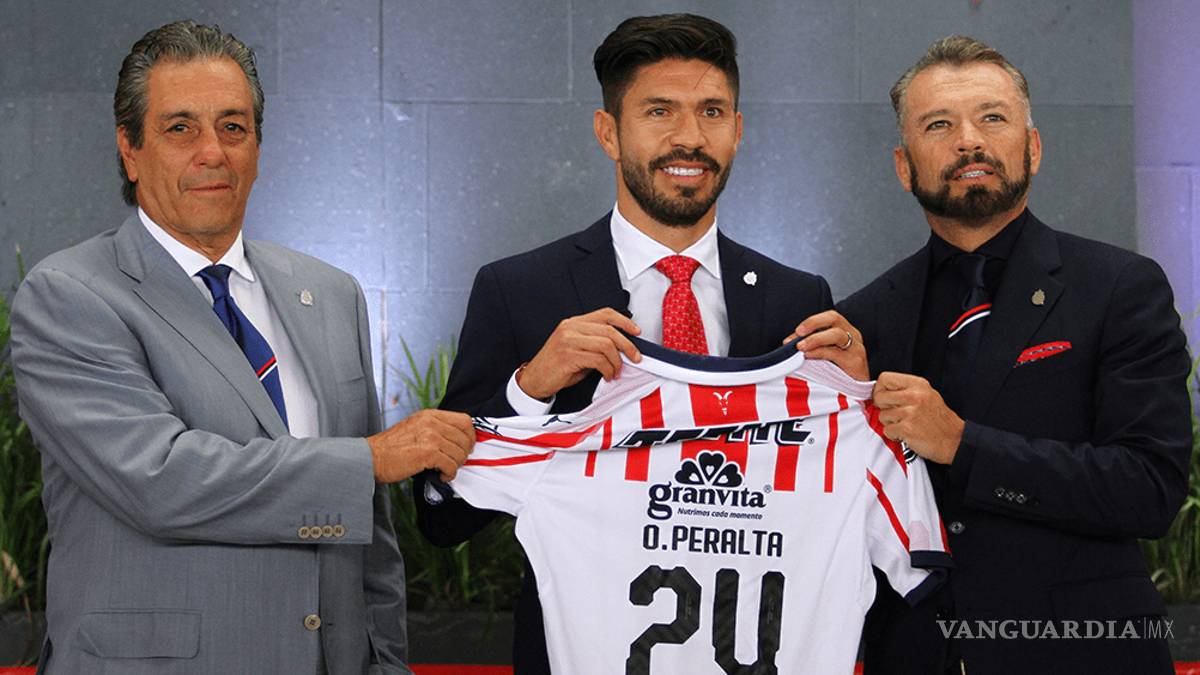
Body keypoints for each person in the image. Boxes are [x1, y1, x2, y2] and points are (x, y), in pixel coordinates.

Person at [10, 20, 474, 674]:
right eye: (180, 128)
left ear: (257, 145)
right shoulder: (69, 294)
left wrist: (386, 662)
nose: (213, 152)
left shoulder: (331, 293)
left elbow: (371, 539)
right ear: (130, 149)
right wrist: (369, 460)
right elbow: (161, 479)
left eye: (233, 127)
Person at [414, 13, 866, 673]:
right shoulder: (520, 290)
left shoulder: (797, 300)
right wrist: (529, 389)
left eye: (712, 112)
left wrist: (858, 394)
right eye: (659, 111)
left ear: (738, 131)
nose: (690, 137)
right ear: (609, 132)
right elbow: (442, 516)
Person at [835, 35, 1192, 674]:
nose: (969, 141)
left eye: (992, 118)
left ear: (1033, 148)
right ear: (904, 166)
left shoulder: (1119, 287)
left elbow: (1148, 491)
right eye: (939, 125)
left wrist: (961, 444)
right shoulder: (863, 319)